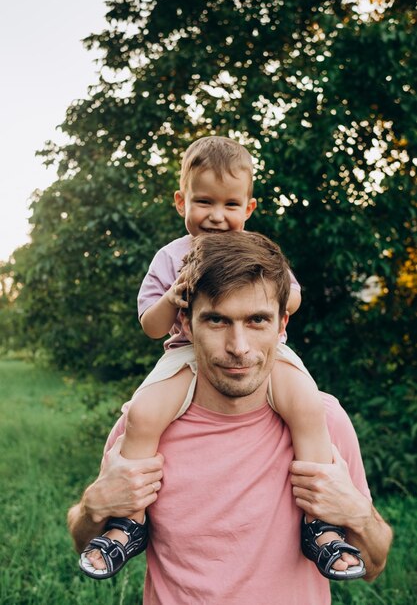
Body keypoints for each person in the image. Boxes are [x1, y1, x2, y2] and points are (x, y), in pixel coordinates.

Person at [79, 137, 363, 580]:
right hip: (185, 355)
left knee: (307, 404)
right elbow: (151, 326)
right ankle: (127, 523)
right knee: (143, 415)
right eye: (203, 201)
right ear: (181, 201)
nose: (216, 214)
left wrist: (274, 293)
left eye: (230, 204)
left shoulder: (257, 253)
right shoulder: (171, 256)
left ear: (248, 208)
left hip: (266, 355)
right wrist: (174, 297)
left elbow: (293, 299)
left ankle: (320, 525)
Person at [69, 231, 392, 604]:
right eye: (217, 321)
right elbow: (86, 541)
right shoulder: (145, 424)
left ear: (282, 324)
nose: (239, 347)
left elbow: (373, 564)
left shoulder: (325, 420)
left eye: (257, 320)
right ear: (187, 325)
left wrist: (357, 514)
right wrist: (93, 507)